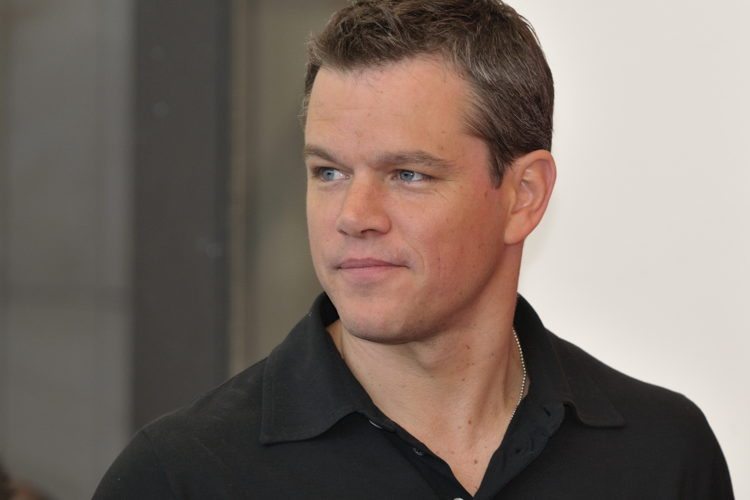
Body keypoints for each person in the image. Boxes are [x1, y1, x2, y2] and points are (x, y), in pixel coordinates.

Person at [94, 1, 734, 498]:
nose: (354, 217)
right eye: (329, 172)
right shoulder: (181, 478)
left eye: (408, 174)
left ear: (523, 196)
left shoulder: (662, 454)